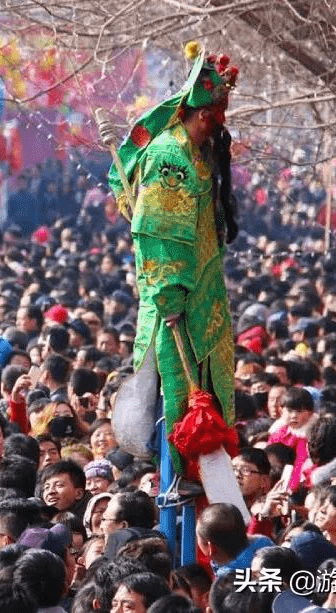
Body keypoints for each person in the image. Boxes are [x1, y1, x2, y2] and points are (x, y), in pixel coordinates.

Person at [108, 42, 240, 475]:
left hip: (201, 297)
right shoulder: (170, 156)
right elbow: (160, 234)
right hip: (177, 302)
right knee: (181, 403)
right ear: (205, 115)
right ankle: (179, 473)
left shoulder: (194, 154)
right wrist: (169, 296)